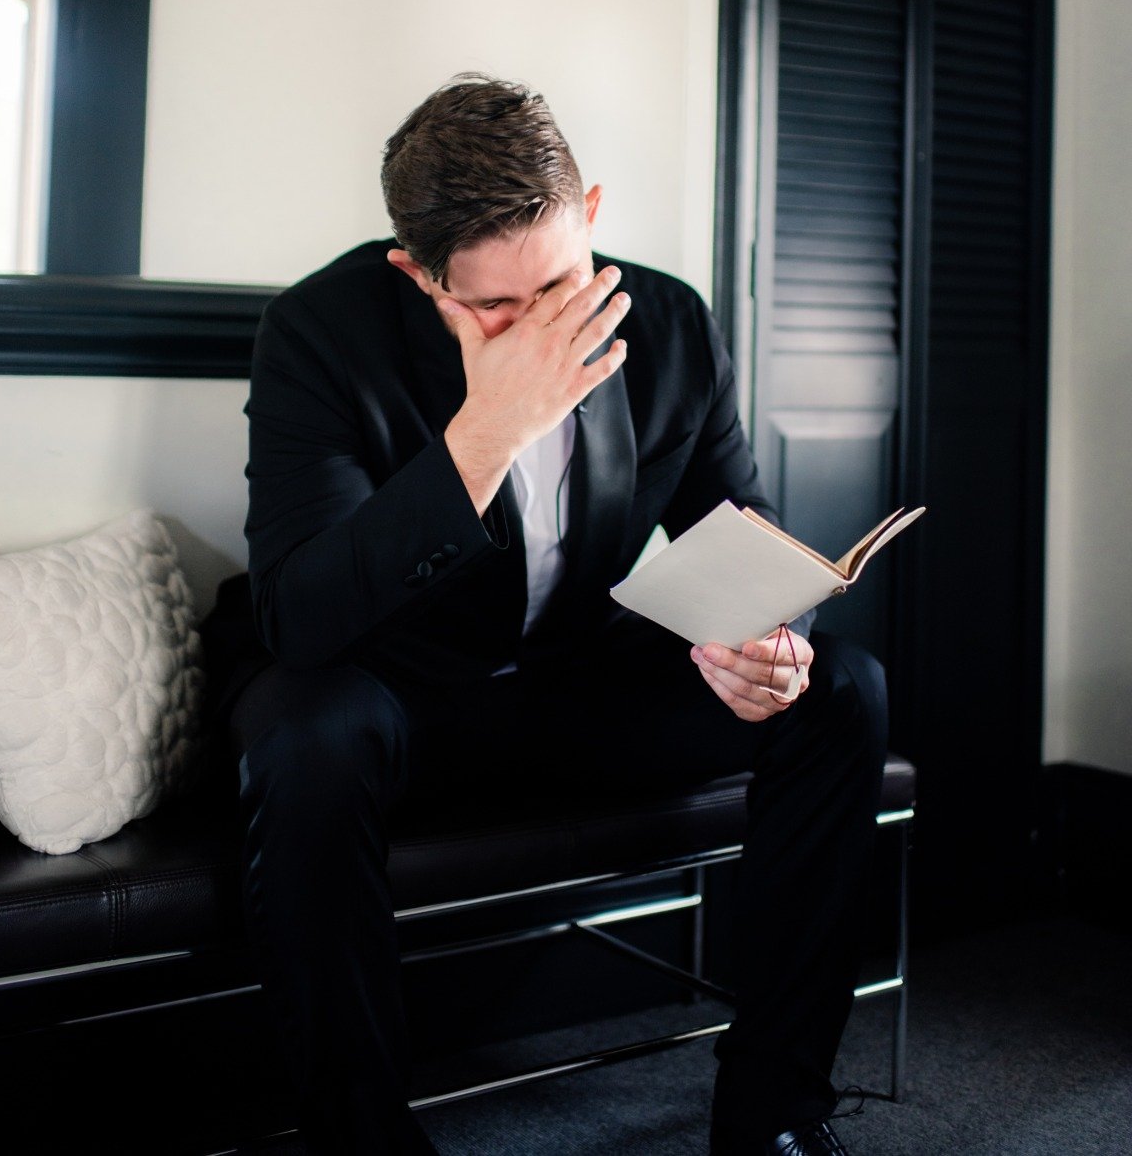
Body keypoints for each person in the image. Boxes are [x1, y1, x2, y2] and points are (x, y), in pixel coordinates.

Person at [207, 74, 888, 1156]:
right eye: (493, 308)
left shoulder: (667, 322)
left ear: (594, 215)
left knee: (842, 687)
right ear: (415, 273)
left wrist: (757, 640)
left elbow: (741, 525)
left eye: (561, 284)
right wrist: (490, 429)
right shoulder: (319, 332)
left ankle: (775, 1110)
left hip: (568, 679)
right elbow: (302, 614)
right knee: (309, 732)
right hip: (394, 688)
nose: (538, 329)